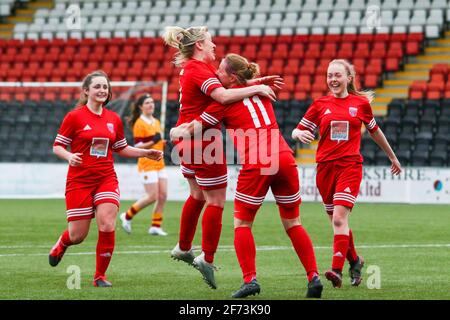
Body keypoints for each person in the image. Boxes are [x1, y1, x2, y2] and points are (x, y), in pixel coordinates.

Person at [170, 53, 323, 299]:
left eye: (220, 71)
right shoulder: (261, 93)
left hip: (258, 161)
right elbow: (245, 87)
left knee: (242, 225)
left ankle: (250, 279)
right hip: (284, 157)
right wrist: (257, 83)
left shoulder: (222, 103)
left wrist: (174, 130)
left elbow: (193, 128)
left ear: (231, 77)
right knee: (294, 223)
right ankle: (313, 276)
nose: (216, 74)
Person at [163, 26, 281, 289]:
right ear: (199, 46)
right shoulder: (199, 69)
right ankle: (207, 257)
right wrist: (256, 89)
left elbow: (223, 89)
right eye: (211, 42)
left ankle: (183, 247)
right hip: (202, 140)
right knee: (216, 200)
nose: (215, 46)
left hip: (187, 139)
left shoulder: (192, 69)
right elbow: (223, 95)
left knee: (197, 195)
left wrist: (255, 83)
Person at [292, 59, 402, 288]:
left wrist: (392, 157)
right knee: (335, 220)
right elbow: (298, 128)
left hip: (350, 167)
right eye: (330, 75)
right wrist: (297, 135)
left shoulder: (360, 104)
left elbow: (375, 131)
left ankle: (336, 270)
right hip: (324, 168)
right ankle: (355, 261)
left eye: (337, 75)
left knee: (340, 219)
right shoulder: (320, 104)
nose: (333, 79)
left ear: (348, 78)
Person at [49, 70, 163, 287]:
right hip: (79, 181)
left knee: (107, 223)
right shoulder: (74, 117)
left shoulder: (113, 119)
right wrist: (69, 156)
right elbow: (57, 146)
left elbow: (121, 147)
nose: (102, 90)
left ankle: (99, 276)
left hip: (106, 178)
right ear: (86, 91)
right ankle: (63, 243)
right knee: (78, 236)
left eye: (105, 87)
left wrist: (145, 152)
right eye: (97, 87)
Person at [119, 93, 168, 236]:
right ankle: (127, 215)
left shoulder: (156, 121)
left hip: (159, 162)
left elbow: (156, 141)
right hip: (147, 163)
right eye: (147, 103)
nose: (151, 105)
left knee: (163, 195)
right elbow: (139, 145)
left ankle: (155, 226)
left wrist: (162, 143)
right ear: (141, 107)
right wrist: (154, 141)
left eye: (152, 102)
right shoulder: (139, 123)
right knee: (152, 196)